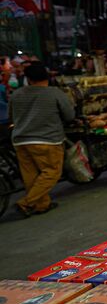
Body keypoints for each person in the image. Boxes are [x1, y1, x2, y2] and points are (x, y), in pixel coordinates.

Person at [9, 62, 75, 216]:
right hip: (47, 140)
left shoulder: (16, 94)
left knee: (31, 175)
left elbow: (12, 117)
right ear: (47, 77)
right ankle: (26, 202)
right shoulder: (54, 93)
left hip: (20, 140)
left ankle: (41, 205)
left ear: (28, 79)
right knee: (51, 172)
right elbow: (69, 115)